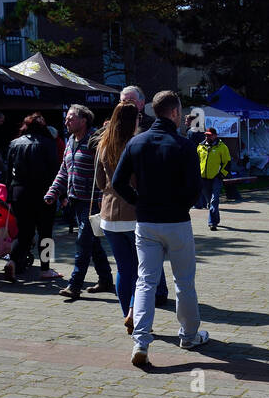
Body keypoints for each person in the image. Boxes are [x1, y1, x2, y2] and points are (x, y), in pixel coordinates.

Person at [112, 90, 207, 366]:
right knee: (184, 281)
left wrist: (139, 202)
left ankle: (141, 341)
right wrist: (181, 206)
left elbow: (119, 183)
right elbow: (195, 189)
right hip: (176, 221)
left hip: (146, 222)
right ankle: (189, 335)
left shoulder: (136, 143)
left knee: (145, 281)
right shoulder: (185, 146)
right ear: (175, 113)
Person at [93, 101, 168, 322]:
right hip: (135, 213)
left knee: (124, 270)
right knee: (143, 272)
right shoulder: (137, 144)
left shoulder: (103, 145)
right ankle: (136, 312)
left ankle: (127, 312)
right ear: (134, 120)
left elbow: (99, 182)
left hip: (109, 216)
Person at [45, 104, 115, 300]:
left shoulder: (96, 140)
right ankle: (106, 280)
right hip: (75, 200)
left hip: (92, 202)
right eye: (67, 117)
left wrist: (102, 199)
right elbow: (64, 170)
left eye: (71, 117)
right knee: (92, 243)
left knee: (83, 243)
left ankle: (74, 285)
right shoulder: (70, 140)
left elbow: (105, 170)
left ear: (84, 120)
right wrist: (53, 192)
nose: (67, 121)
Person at [3, 113, 60, 283]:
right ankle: (45, 268)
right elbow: (55, 171)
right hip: (43, 193)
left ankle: (13, 260)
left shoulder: (14, 144)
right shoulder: (48, 144)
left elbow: (8, 172)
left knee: (23, 232)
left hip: (19, 192)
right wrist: (59, 194)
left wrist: (8, 195)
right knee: (46, 232)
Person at [197, 127, 231, 231]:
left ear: (215, 135)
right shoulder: (200, 147)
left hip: (216, 178)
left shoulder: (222, 147)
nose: (207, 137)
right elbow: (196, 162)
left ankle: (212, 223)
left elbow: (227, 162)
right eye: (206, 135)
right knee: (209, 202)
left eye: (210, 135)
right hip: (203, 178)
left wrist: (222, 174)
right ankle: (216, 218)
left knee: (214, 200)